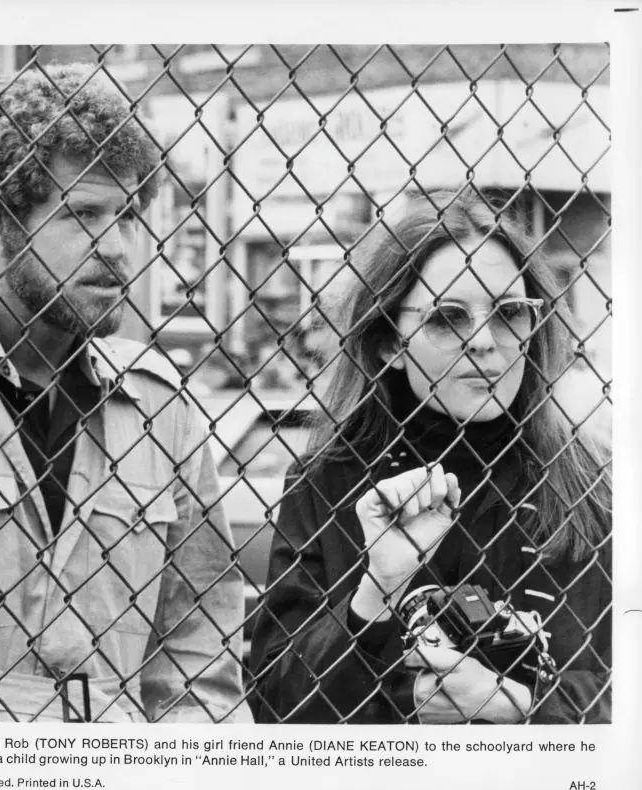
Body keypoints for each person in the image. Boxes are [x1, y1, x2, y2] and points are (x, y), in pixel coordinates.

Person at [0, 63, 250, 723]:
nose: (118, 248)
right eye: (85, 215)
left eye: (127, 215)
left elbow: (199, 658)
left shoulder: (158, 406)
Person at [248, 190, 611, 724]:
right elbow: (277, 703)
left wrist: (516, 706)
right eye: (448, 318)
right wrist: (377, 591)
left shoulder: (588, 478)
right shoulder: (331, 479)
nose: (485, 342)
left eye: (511, 312)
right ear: (389, 343)